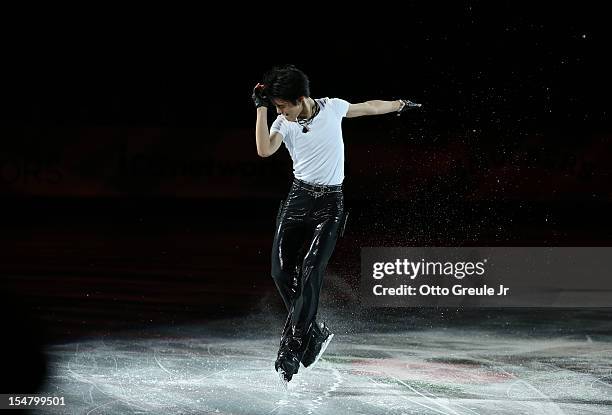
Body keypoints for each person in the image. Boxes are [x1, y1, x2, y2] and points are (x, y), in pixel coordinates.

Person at [251, 64, 421, 385]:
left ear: (302, 98)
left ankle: (292, 348)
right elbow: (264, 149)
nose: (281, 113)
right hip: (297, 200)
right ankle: (314, 332)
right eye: (277, 108)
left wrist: (399, 105)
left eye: (283, 106)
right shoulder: (283, 123)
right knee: (280, 270)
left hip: (330, 205)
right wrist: (262, 110)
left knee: (312, 271)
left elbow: (368, 107)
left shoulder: (331, 108)